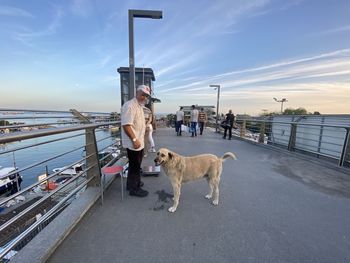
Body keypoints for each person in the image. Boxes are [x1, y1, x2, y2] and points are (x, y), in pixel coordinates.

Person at [121, 85, 150, 197]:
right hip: (134, 142)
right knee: (135, 166)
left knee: (135, 165)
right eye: (142, 94)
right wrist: (134, 139)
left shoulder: (139, 106)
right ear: (137, 93)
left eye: (146, 95)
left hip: (139, 141)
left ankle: (132, 183)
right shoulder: (130, 106)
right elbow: (126, 125)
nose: (144, 97)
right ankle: (135, 189)